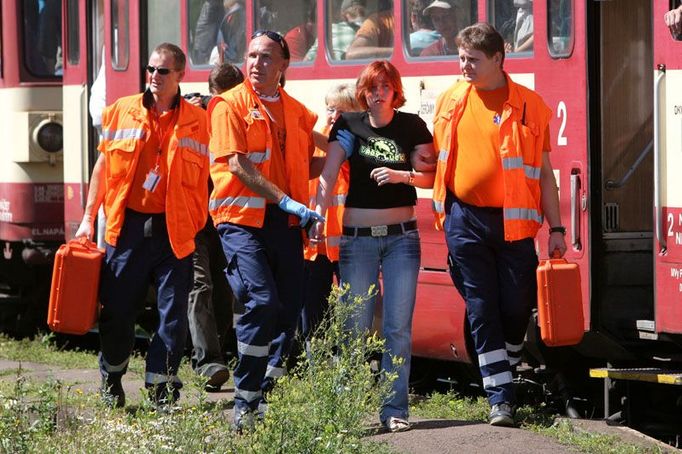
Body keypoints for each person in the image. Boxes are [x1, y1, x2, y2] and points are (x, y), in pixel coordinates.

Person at [430, 23, 566, 427]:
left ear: (497, 59)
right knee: (482, 306)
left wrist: (557, 229)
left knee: (515, 307)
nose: (464, 66)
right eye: (461, 58)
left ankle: (503, 365)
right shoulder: (451, 99)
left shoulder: (531, 105)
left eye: (472, 60)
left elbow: (544, 175)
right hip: (464, 218)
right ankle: (500, 398)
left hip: (515, 226)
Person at [74, 43, 210, 409]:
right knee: (117, 310)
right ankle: (111, 377)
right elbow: (102, 169)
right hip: (128, 225)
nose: (154, 77)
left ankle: (161, 389)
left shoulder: (199, 121)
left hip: (175, 229)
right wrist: (88, 219)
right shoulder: (122, 112)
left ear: (180, 75)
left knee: (172, 315)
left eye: (162, 71)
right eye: (150, 69)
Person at [312, 60, 436, 433]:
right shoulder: (349, 126)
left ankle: (393, 409)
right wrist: (318, 213)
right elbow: (330, 171)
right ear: (362, 93)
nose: (377, 93)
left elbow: (432, 175)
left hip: (402, 239)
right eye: (370, 88)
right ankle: (346, 412)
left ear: (395, 90)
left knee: (397, 327)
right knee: (354, 326)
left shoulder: (411, 125)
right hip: (357, 242)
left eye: (384, 87)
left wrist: (402, 175)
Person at [208, 30, 322, 429]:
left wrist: (352, 142)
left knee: (289, 310)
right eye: (252, 55)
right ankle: (246, 398)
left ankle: (264, 386)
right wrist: (286, 199)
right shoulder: (229, 105)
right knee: (262, 302)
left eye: (267, 57)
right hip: (241, 220)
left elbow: (316, 154)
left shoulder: (295, 109)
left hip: (284, 222)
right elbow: (237, 165)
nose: (257, 63)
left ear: (284, 64)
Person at [186, 63, 244, 393]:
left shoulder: (239, 114)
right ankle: (208, 361)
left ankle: (216, 357)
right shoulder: (195, 112)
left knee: (221, 288)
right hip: (194, 215)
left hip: (223, 214)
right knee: (201, 284)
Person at [301, 83, 361, 350]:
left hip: (347, 241)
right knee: (311, 308)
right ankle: (315, 365)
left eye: (340, 110)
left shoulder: (355, 142)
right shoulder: (319, 139)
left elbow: (339, 155)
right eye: (329, 108)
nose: (332, 115)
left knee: (352, 308)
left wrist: (302, 127)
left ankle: (350, 365)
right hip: (317, 244)